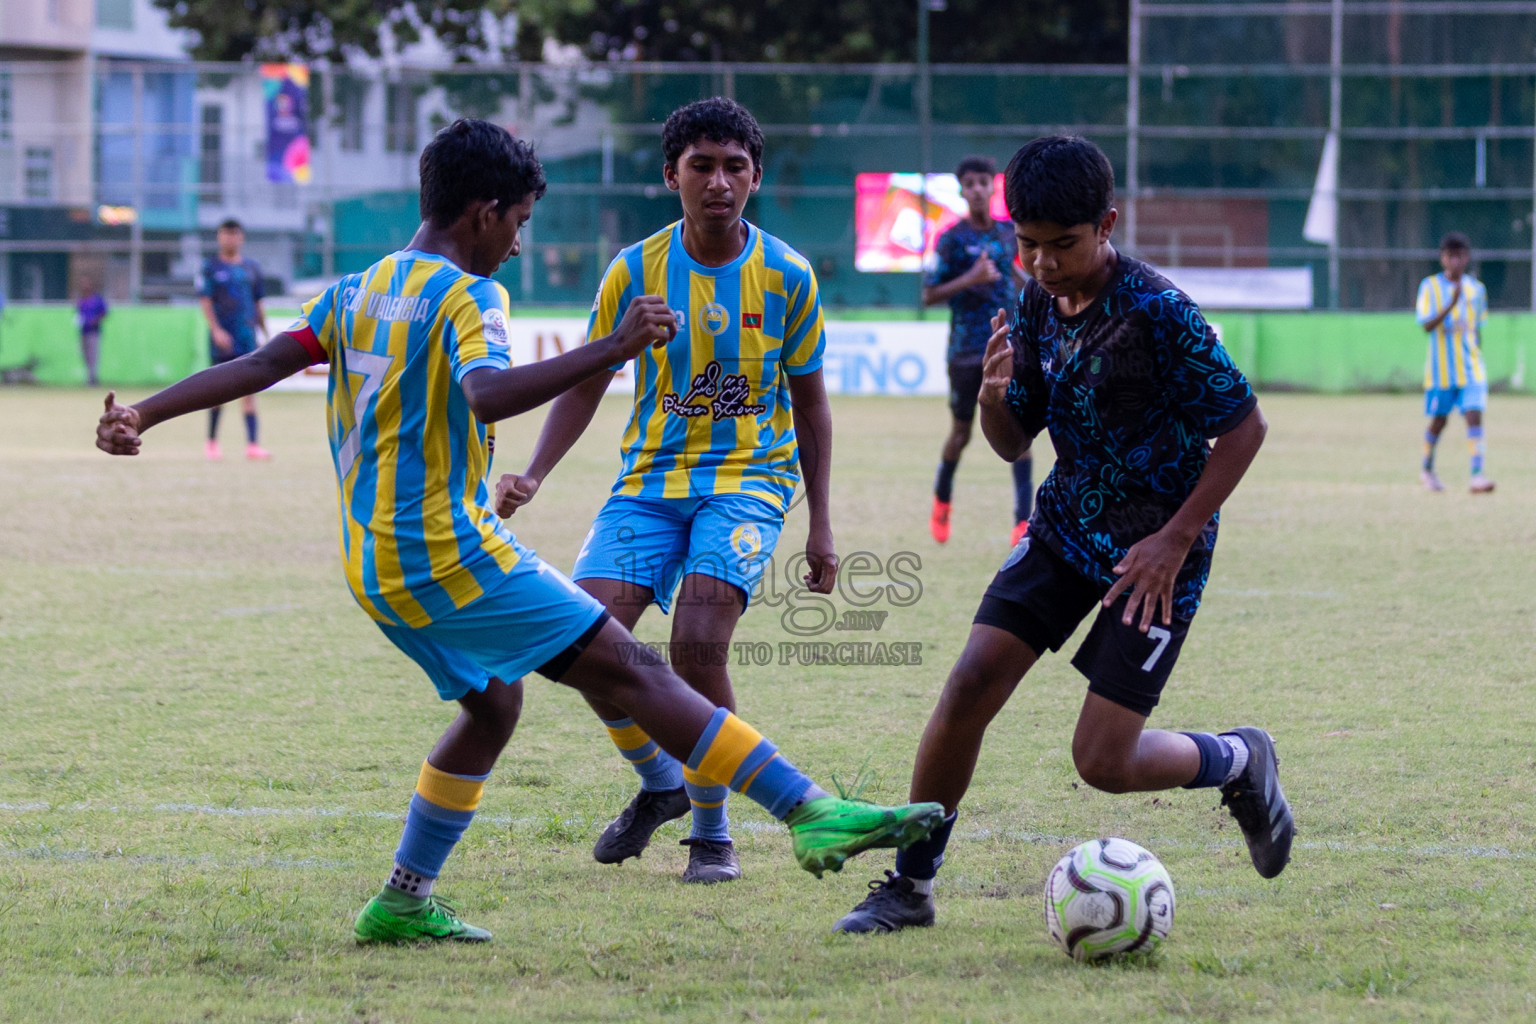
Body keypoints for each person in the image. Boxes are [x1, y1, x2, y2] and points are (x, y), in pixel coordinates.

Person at [95, 118, 942, 946]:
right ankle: (809, 811)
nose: (520, 245)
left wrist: (145, 410)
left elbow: (264, 362)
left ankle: (403, 900)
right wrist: (612, 348)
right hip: (447, 551)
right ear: (484, 212)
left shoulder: (359, 288)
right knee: (635, 668)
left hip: (372, 562)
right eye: (521, 224)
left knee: (494, 706)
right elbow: (488, 393)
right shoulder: (472, 295)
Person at [831, 136, 1294, 935]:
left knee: (1103, 762)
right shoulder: (1037, 300)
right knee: (970, 684)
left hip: (1153, 557)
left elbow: (1246, 428)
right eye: (1029, 243)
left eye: (1063, 245)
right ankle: (909, 886)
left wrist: (1175, 540)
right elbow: (1016, 444)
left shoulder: (1160, 312)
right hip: (1062, 526)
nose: (1042, 263)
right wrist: (992, 400)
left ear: (1107, 223)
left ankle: (1239, 759)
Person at [493, 97, 837, 886]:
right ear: (671, 175)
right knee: (584, 642)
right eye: (701, 166)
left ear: (756, 177)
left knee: (695, 643)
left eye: (735, 167)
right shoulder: (635, 270)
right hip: (648, 485)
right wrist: (538, 471)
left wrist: (821, 524)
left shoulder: (787, 275)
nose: (719, 182)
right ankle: (660, 786)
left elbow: (812, 405)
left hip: (750, 482)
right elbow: (588, 379)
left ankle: (712, 835)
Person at [923, 156, 1032, 547]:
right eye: (969, 184)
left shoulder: (1008, 233)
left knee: (1020, 434)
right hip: (966, 352)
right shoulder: (951, 239)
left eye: (983, 182)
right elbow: (929, 293)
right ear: (962, 190)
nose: (977, 189)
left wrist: (1038, 290)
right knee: (961, 433)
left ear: (993, 186)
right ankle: (942, 499)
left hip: (1009, 349)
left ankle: (1023, 522)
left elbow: (1016, 276)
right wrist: (970, 278)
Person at [1416, 232, 1494, 494]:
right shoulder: (1430, 287)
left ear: (1467, 257)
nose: (1456, 261)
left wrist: (1476, 355)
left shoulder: (1477, 290)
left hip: (1471, 368)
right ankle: (1426, 469)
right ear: (1443, 259)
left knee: (1474, 416)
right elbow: (1426, 325)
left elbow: (1478, 328)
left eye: (1460, 256)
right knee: (1439, 421)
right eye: (1450, 256)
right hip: (1441, 373)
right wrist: (1450, 303)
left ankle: (1477, 475)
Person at [198, 218, 271, 460]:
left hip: (246, 338)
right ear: (219, 237)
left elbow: (258, 303)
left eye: (234, 233)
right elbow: (205, 301)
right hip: (223, 339)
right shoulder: (210, 267)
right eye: (225, 233)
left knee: (249, 390)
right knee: (217, 391)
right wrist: (216, 330)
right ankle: (211, 443)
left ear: (241, 237)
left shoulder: (251, 268)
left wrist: (265, 333)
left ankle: (252, 445)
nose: (230, 238)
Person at [77, 277, 109, 387]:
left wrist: (95, 321)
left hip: (93, 332)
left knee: (93, 355)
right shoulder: (82, 300)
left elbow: (105, 312)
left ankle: (93, 378)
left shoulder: (97, 300)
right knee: (84, 354)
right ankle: (89, 376)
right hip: (83, 331)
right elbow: (79, 314)